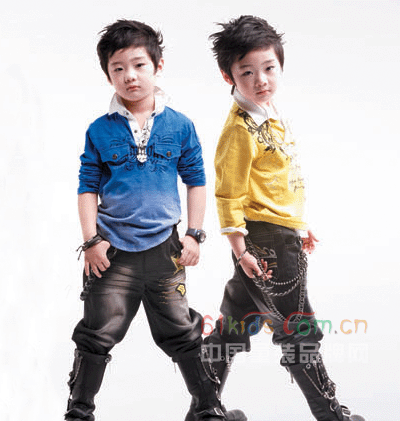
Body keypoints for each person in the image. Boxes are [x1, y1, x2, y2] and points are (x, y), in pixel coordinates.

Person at [65, 19, 245, 421]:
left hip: (166, 250)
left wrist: (194, 234)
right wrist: (91, 241)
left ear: (157, 66)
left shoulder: (180, 125)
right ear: (108, 74)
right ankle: (78, 412)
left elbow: (196, 180)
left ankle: (208, 409)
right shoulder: (99, 130)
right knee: (96, 333)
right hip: (111, 254)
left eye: (139, 65)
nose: (129, 76)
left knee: (181, 331)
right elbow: (87, 187)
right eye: (118, 68)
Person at [205, 15, 365, 421]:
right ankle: (330, 415)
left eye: (269, 68)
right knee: (299, 329)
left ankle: (204, 411)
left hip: (277, 234)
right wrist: (241, 251)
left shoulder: (270, 113)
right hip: (266, 244)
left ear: (280, 66)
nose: (261, 80)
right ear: (228, 76)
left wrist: (298, 223)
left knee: (233, 327)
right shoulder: (240, 130)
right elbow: (228, 194)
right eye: (247, 72)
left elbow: (277, 182)